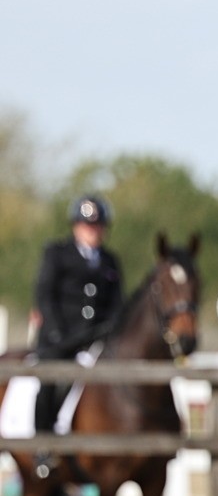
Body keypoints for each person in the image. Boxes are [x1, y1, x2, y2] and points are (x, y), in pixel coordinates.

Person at [32, 194, 125, 477]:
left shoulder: (109, 260)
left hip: (96, 341)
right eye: (86, 226)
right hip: (59, 340)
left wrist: (108, 332)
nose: (92, 231)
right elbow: (45, 295)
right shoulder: (57, 254)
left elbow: (117, 304)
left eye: (97, 226)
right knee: (52, 382)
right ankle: (43, 445)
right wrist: (61, 334)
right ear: (76, 226)